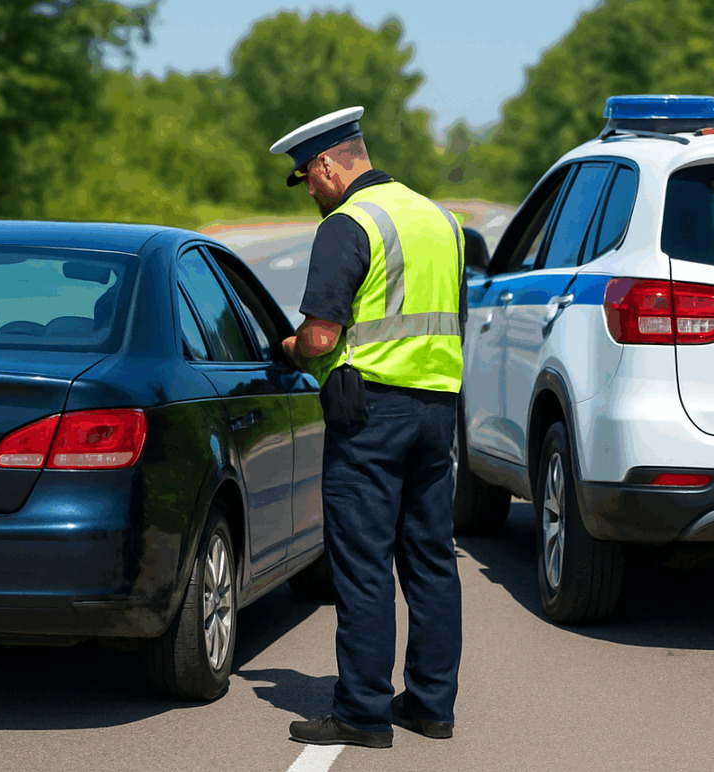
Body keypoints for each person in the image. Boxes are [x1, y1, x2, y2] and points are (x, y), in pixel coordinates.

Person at [270, 106, 466, 749]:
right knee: (432, 561)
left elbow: (323, 333)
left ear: (327, 163)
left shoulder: (348, 225)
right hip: (439, 409)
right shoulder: (441, 220)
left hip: (372, 415)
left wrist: (294, 347)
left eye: (308, 178)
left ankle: (361, 712)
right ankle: (432, 706)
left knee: (363, 567)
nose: (312, 194)